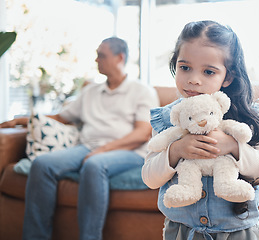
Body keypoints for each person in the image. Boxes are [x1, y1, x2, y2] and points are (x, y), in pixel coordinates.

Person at [0, 37, 160, 240]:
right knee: (42, 164)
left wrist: (105, 149)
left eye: (101, 55)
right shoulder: (90, 91)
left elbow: (142, 132)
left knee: (94, 165)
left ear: (120, 57)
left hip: (130, 152)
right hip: (87, 147)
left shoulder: (142, 91)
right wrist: (19, 121)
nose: (96, 60)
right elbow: (60, 117)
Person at [142, 20, 259, 240]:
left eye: (208, 72)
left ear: (227, 77)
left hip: (237, 231)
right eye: (185, 68)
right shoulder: (169, 119)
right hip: (183, 231)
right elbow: (149, 178)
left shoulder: (244, 118)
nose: (194, 80)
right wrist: (175, 151)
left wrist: (233, 146)